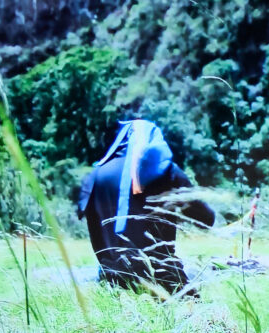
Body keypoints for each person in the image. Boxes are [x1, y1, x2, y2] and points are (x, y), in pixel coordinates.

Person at [75, 118, 216, 293]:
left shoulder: (94, 176)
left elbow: (85, 215)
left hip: (112, 285)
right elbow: (206, 219)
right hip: (163, 282)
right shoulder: (167, 172)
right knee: (197, 305)